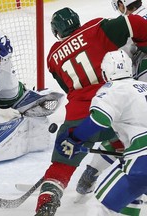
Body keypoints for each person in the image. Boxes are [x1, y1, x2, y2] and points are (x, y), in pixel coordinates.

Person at [35, 7, 147, 216]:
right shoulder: (97, 27)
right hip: (115, 109)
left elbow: (67, 86)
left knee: (62, 164)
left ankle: (47, 202)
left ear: (57, 31)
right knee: (124, 141)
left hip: (79, 115)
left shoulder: (52, 57)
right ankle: (99, 175)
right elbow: (134, 22)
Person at [56, 49, 147, 215]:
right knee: (131, 197)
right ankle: (92, 172)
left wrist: (74, 138)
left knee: (104, 206)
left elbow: (99, 120)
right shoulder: (144, 86)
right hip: (140, 161)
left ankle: (92, 172)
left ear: (105, 73)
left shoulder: (112, 89)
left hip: (142, 160)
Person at [75, 0, 147, 202]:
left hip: (140, 82)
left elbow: (119, 59)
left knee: (126, 128)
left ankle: (92, 174)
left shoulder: (130, 22)